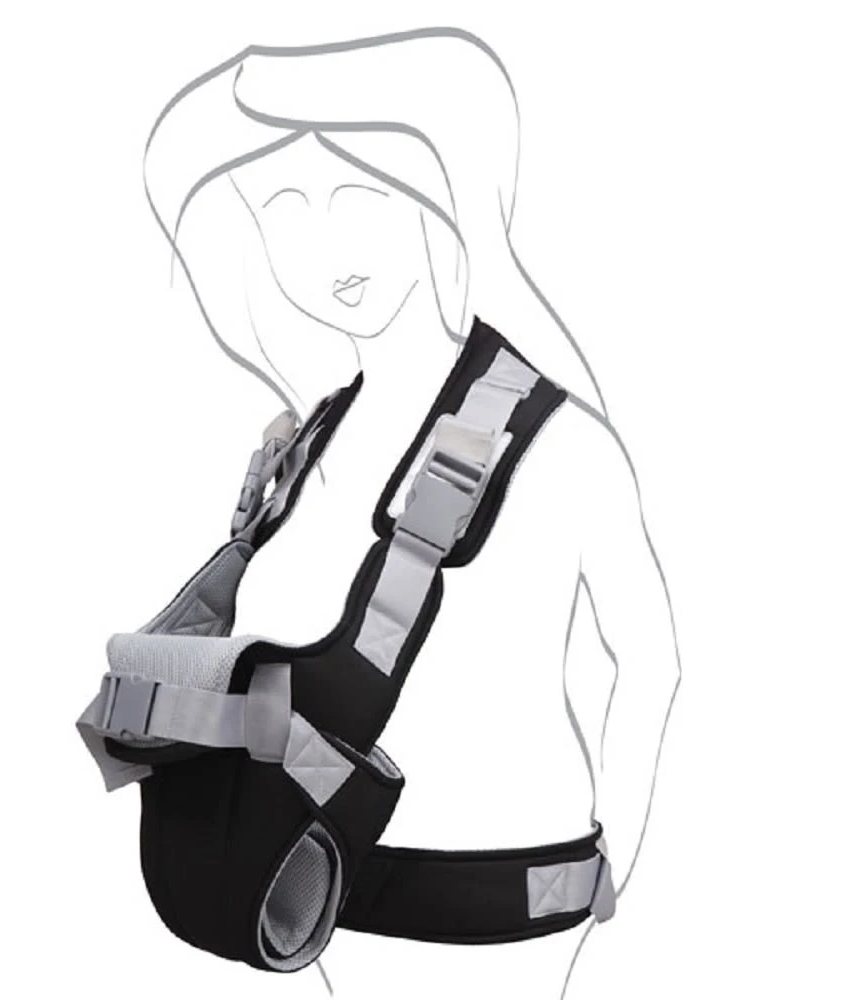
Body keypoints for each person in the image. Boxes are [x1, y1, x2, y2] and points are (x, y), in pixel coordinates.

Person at [141, 27, 681, 998]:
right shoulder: (307, 442)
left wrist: (616, 888)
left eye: (360, 194)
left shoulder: (557, 444)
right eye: (282, 207)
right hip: (319, 912)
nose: (321, 245)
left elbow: (650, 662)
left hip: (502, 927)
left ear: (434, 198)